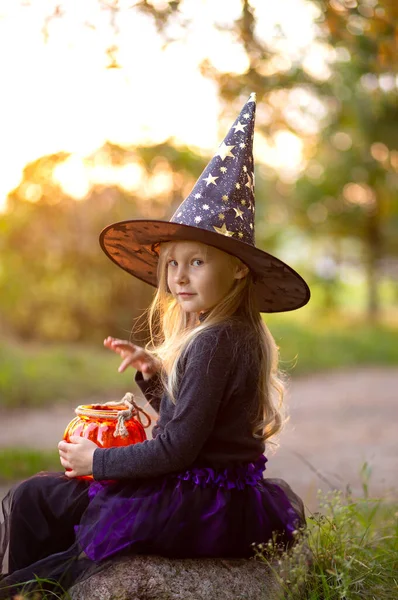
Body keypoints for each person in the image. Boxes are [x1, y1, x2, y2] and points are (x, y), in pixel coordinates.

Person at [0, 93, 310, 598]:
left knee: (38, 496)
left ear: (237, 267)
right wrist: (153, 374)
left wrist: (93, 463)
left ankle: (35, 593)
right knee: (50, 495)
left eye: (197, 262)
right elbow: (197, 424)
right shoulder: (236, 332)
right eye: (172, 263)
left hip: (198, 502)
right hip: (219, 494)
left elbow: (175, 448)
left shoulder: (215, 341)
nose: (179, 276)